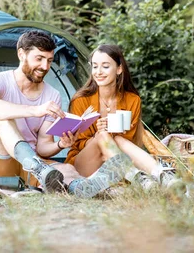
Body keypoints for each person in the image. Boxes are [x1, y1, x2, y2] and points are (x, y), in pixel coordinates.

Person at [0, 30, 130, 196]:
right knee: (1, 118)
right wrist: (35, 110)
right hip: (0, 163)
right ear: (21, 54)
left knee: (67, 169)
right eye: (39, 59)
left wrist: (60, 145)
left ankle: (80, 186)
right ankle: (39, 168)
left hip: (35, 167)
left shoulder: (52, 95)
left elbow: (42, 147)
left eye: (49, 60)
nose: (45, 67)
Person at [65, 44, 179, 191]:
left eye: (105, 66)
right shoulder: (80, 100)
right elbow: (77, 143)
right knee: (102, 136)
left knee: (117, 139)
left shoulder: (133, 100)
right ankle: (138, 177)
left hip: (118, 159)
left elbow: (128, 140)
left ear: (119, 69)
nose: (98, 72)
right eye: (94, 66)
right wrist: (98, 136)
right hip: (85, 165)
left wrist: (110, 133)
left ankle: (164, 176)